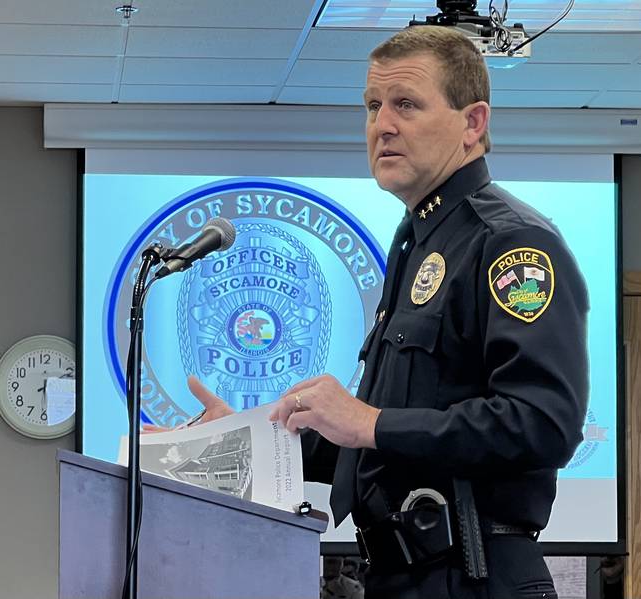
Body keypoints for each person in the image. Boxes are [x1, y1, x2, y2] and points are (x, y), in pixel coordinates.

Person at [186, 25, 589, 598]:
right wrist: (245, 441)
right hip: (398, 575)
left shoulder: (510, 243)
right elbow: (378, 446)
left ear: (473, 124)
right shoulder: (416, 244)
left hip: (472, 575)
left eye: (406, 104)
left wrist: (370, 422)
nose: (383, 125)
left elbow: (543, 423)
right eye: (373, 106)